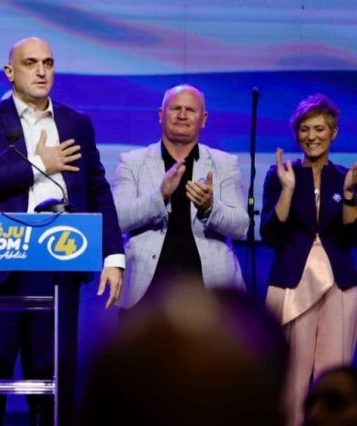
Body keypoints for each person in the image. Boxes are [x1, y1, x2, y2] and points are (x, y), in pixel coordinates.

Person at [0, 36, 125, 426]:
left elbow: (97, 189)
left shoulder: (76, 123)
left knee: (55, 383)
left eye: (48, 63)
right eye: (30, 63)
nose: (41, 71)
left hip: (58, 267)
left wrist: (113, 256)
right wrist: (38, 164)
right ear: (9, 72)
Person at [261, 93, 357, 426]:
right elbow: (270, 234)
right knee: (291, 376)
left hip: (340, 284)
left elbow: (351, 238)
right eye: (304, 129)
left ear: (333, 132)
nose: (311, 136)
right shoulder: (279, 175)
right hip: (292, 282)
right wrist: (288, 190)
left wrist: (349, 195)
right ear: (296, 134)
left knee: (334, 372)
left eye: (319, 129)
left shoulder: (345, 176)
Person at [112, 84, 248, 311]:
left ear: (203, 119)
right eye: (175, 108)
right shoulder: (132, 162)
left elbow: (240, 227)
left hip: (210, 290)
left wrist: (210, 207)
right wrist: (159, 196)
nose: (182, 115)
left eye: (190, 110)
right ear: (161, 115)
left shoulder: (225, 164)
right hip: (145, 290)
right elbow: (116, 221)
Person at [77, 285, 290, 426]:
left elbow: (240, 230)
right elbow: (118, 227)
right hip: (142, 287)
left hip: (215, 276)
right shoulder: (131, 349)